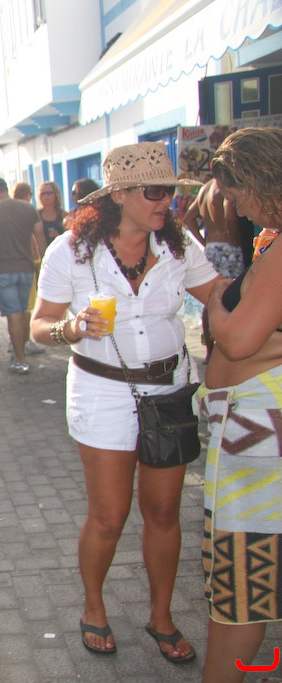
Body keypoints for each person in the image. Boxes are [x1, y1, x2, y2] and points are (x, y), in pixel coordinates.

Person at [29, 141, 215, 662]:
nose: (166, 202)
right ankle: (94, 606)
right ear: (120, 196)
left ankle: (161, 616)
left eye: (170, 192)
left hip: (169, 390)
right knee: (109, 517)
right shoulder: (71, 251)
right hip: (103, 392)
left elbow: (220, 297)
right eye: (155, 192)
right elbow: (40, 325)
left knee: (165, 512)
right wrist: (70, 328)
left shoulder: (179, 245)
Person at [198, 127, 282, 683]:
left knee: (242, 586)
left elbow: (238, 340)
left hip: (256, 438)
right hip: (255, 431)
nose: (236, 207)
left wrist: (214, 309)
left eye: (236, 194)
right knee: (251, 581)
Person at [0, 177, 46, 374]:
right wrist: (43, 261)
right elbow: (40, 235)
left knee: (13, 315)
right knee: (24, 310)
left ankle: (20, 359)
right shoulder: (28, 208)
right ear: (6, 189)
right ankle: (24, 347)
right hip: (26, 267)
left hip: (3, 269)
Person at [182, 179, 247, 362]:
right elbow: (229, 213)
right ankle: (225, 353)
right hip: (228, 247)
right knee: (230, 298)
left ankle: (210, 351)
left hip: (212, 246)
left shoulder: (205, 189)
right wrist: (235, 241)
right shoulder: (223, 186)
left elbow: (188, 219)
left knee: (211, 301)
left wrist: (203, 243)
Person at [37, 181, 67, 248]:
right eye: (43, 193)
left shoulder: (64, 215)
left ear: (56, 194)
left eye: (49, 193)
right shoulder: (36, 215)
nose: (46, 196)